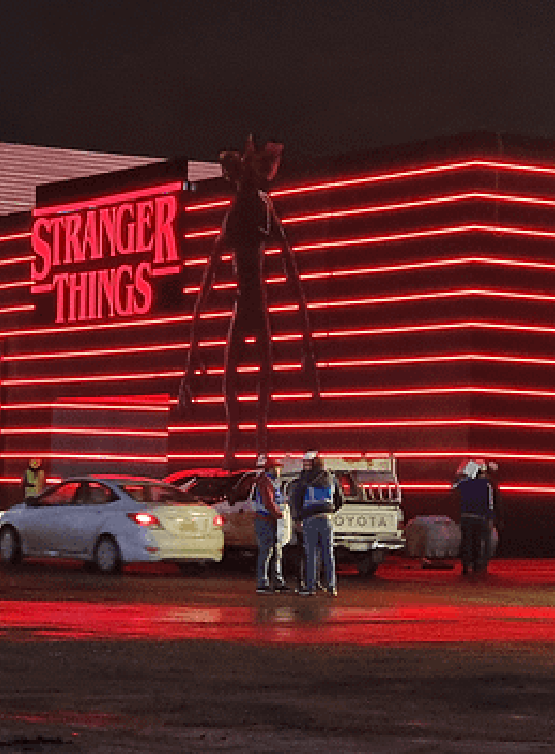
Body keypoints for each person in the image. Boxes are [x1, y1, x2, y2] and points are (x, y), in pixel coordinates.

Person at [177, 136, 320, 468]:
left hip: (251, 302)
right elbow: (211, 278)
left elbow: (288, 269)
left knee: (249, 373)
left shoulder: (257, 207)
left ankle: (252, 446)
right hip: (248, 302)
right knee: (242, 374)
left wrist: (308, 346)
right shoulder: (249, 209)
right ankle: (242, 446)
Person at [291, 450, 343, 596]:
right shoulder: (331, 478)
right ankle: (332, 586)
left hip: (310, 518)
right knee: (328, 553)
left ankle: (310, 587)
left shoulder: (305, 478)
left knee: (311, 553)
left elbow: (297, 498)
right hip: (326, 518)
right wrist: (331, 510)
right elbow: (340, 499)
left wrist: (298, 518)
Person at [453, 460, 496, 575]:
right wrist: (490, 518)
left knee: (466, 541)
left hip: (466, 516)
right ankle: (476, 564)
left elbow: (454, 486)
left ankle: (466, 564)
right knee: (477, 541)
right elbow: (490, 503)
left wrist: (459, 473)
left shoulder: (465, 482)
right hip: (480, 517)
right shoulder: (486, 484)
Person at [253, 454, 288, 594]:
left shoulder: (271, 482)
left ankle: (276, 581)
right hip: (265, 519)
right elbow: (268, 502)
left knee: (275, 551)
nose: (280, 470)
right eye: (278, 468)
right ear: (271, 468)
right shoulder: (265, 482)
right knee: (267, 551)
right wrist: (279, 514)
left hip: (270, 519)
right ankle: (263, 583)